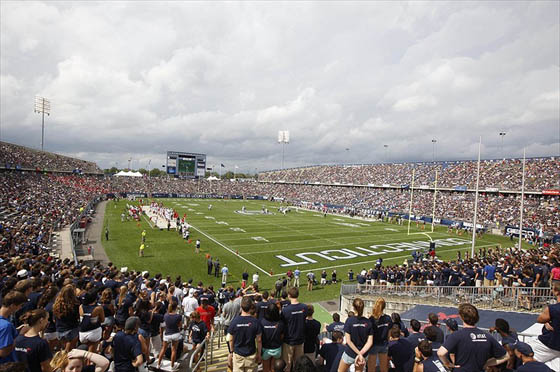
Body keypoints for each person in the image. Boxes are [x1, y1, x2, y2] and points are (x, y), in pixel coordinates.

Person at [437, 303, 508, 372]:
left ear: (461, 317)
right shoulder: (487, 337)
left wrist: (448, 364)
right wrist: (486, 363)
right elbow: (505, 356)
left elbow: (440, 353)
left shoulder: (456, 335)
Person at [227, 296, 262, 372]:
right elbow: (259, 340)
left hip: (238, 355)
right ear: (251, 307)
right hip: (251, 355)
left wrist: (231, 352)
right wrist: (259, 353)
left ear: (241, 306)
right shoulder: (256, 322)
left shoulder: (234, 321)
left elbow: (230, 339)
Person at [338, 298, 373, 372]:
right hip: (363, 354)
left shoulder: (349, 321)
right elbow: (370, 342)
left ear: (353, 308)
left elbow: (348, 341)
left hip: (350, 353)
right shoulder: (368, 322)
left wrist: (358, 353)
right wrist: (361, 354)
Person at [532, 281, 560, 363]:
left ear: (556, 292)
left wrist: (547, 321)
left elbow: (540, 319)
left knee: (525, 354)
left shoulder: (553, 309)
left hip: (550, 343)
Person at [281, 287, 307, 372]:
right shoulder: (304, 307)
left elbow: (283, 325)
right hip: (299, 340)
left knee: (287, 365)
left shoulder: (285, 310)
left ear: (289, 295)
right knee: (299, 365)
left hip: (289, 341)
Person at [0, 291, 27, 363]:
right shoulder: (6, 326)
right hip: (6, 363)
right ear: (12, 306)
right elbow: (3, 352)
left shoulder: (5, 323)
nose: (20, 308)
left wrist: (16, 330)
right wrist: (20, 335)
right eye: (20, 305)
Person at [54, 285, 81, 352]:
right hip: (71, 330)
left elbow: (54, 319)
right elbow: (78, 317)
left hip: (60, 330)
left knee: (63, 350)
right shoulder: (75, 305)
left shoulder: (56, 305)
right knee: (69, 351)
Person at [368, 298, 392, 372]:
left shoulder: (372, 319)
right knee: (384, 367)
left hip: (374, 344)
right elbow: (389, 334)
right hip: (384, 344)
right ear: (384, 307)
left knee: (371, 368)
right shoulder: (388, 318)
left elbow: (369, 334)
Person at [261, 303, 285, 372]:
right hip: (277, 348)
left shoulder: (262, 322)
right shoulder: (280, 323)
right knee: (274, 369)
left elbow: (260, 336)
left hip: (266, 348)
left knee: (265, 369)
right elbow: (282, 336)